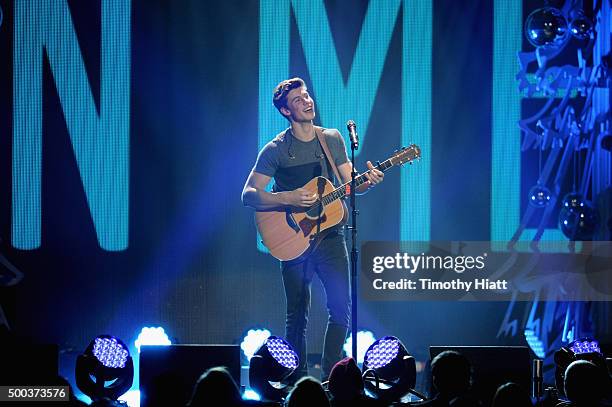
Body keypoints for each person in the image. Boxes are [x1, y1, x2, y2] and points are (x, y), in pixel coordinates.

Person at [242, 77, 384, 381]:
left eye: (307, 96)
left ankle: (335, 379)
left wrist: (368, 181)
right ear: (285, 111)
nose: (307, 102)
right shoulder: (277, 149)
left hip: (331, 237)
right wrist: (288, 198)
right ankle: (299, 382)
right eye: (298, 100)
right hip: (293, 239)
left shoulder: (331, 139)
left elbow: (350, 186)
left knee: (340, 309)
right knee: (297, 314)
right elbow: (249, 194)